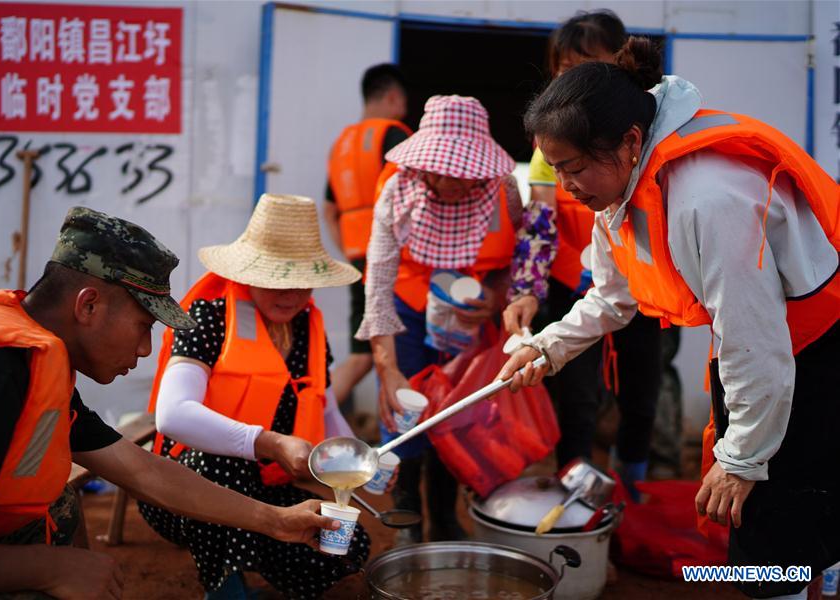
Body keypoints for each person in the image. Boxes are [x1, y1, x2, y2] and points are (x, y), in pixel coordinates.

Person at [502, 37, 839, 600]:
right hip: (764, 348)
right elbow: (612, 296)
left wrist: (742, 459)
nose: (565, 186)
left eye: (574, 167)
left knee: (774, 529)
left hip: (816, 345)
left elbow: (755, 340)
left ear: (630, 142)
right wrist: (547, 347)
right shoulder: (617, 191)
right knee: (775, 518)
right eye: (555, 168)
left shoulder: (709, 199)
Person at [0, 207, 338, 598]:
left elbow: (142, 470)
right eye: (144, 326)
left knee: (59, 507)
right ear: (88, 305)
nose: (147, 349)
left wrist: (278, 521)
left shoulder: (35, 361)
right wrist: (50, 568)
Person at [139, 194, 371, 599]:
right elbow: (172, 416)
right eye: (277, 279)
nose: (291, 294)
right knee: (221, 465)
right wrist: (268, 442)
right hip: (183, 487)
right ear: (249, 273)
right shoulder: (209, 317)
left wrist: (371, 461)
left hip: (264, 487)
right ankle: (226, 588)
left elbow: (327, 410)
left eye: (302, 280)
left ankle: (255, 571)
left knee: (348, 542)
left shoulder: (307, 328)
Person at [357, 95, 555, 544]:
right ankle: (408, 511)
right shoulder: (396, 189)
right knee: (403, 412)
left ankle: (445, 516)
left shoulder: (502, 189)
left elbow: (517, 258)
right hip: (406, 314)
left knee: (455, 417)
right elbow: (379, 279)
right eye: (438, 170)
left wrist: (496, 296)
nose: (448, 182)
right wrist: (387, 369)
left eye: (460, 173)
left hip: (467, 317)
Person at [503, 10, 662, 499]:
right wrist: (527, 289)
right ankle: (575, 504)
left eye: (583, 66)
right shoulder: (551, 143)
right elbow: (541, 223)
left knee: (641, 392)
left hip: (649, 290)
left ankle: (631, 493)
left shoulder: (648, 139)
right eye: (561, 70)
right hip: (576, 288)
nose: (569, 80)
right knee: (577, 399)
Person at [324, 63, 412, 406]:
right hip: (394, 263)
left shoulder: (341, 145)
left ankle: (312, 415)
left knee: (363, 354)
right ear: (392, 96)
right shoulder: (394, 135)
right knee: (397, 351)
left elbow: (329, 210)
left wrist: (349, 252)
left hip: (358, 258)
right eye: (403, 103)